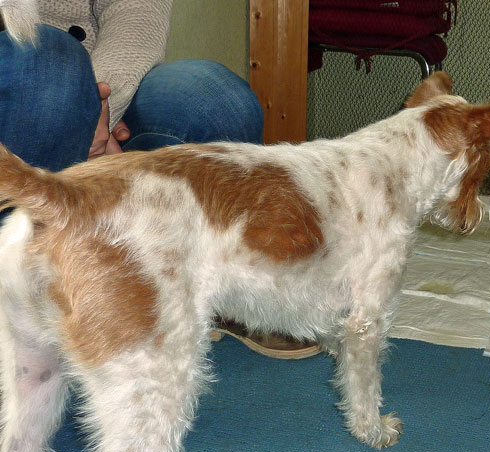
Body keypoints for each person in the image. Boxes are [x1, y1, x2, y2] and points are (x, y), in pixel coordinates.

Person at [0, 0, 319, 359]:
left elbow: (136, 16)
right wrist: (76, 110)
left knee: (215, 100)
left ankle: (222, 292)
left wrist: (96, 113)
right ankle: (26, 301)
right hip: (22, 92)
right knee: (44, 59)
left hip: (103, 85)